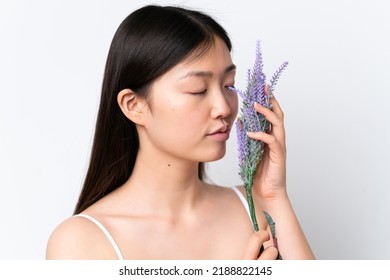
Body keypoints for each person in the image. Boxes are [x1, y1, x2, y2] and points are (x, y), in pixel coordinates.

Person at [46, 5, 314, 260]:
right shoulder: (82, 241)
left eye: (229, 86)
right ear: (134, 106)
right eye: (198, 89)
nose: (223, 108)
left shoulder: (255, 208)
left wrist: (274, 196)